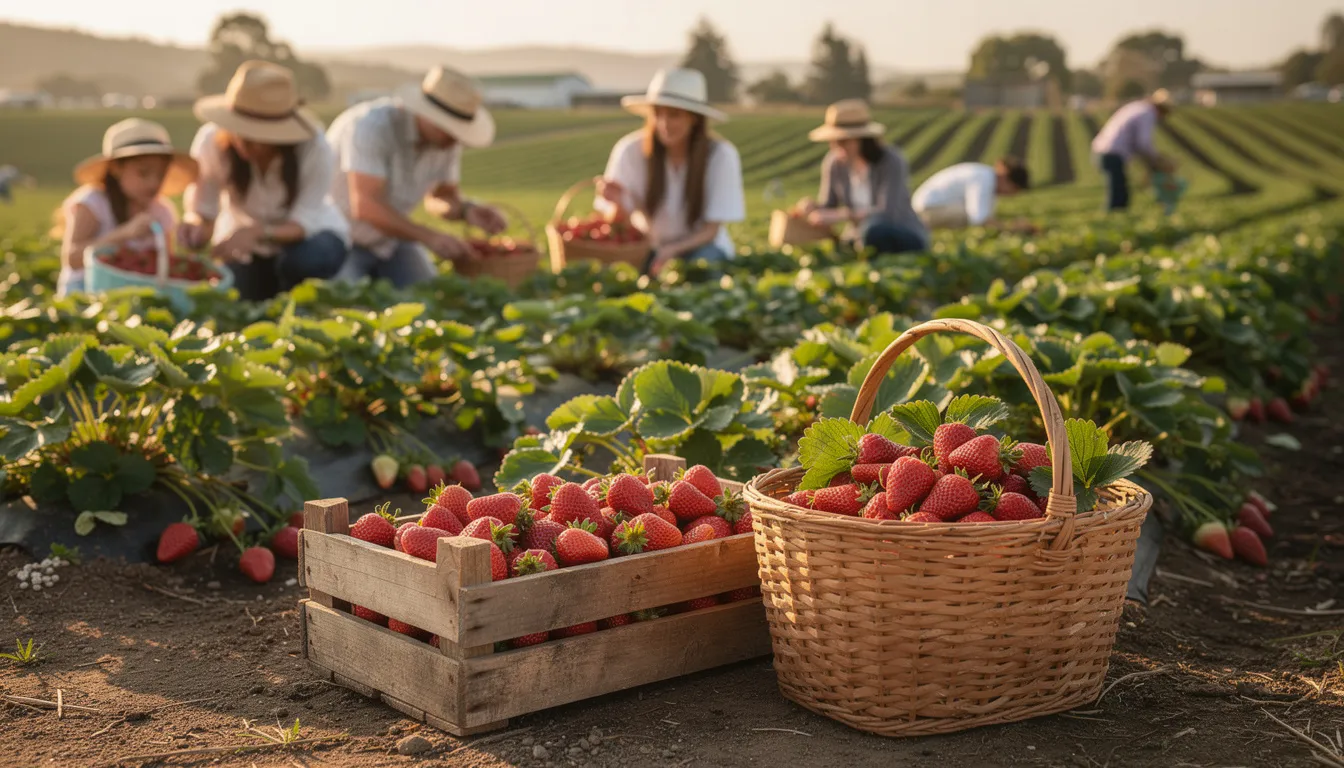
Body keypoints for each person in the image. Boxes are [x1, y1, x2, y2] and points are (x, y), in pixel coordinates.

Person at [180, 60, 350, 301]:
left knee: (303, 263)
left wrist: (255, 232)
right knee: (237, 295)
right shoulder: (211, 142)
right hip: (248, 246)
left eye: (258, 136)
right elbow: (203, 209)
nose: (246, 142)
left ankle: (306, 302)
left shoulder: (314, 148)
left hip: (311, 237)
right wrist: (195, 226)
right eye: (240, 131)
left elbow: (303, 222)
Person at [327, 65, 507, 289]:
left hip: (392, 241)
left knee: (430, 296)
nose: (455, 138)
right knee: (344, 305)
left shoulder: (446, 142)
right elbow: (366, 205)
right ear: (425, 113)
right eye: (449, 128)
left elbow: (440, 197)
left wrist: (466, 210)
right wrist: (429, 237)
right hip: (341, 239)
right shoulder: (371, 127)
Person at [595, 67, 745, 276]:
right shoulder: (629, 151)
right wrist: (617, 203)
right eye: (658, 113)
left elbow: (711, 231)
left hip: (700, 246)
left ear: (694, 118)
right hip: (648, 245)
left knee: (702, 271)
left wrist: (670, 251)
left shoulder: (720, 156)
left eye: (674, 115)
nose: (664, 124)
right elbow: (620, 222)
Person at [53, 118, 198, 297]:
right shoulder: (93, 203)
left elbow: (164, 266)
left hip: (138, 294)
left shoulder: (162, 211)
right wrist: (124, 233)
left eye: (160, 175)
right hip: (85, 291)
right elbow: (72, 258)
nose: (153, 183)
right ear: (116, 168)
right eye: (143, 173)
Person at [798, 99, 927, 255]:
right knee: (845, 246)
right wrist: (813, 208)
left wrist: (844, 214)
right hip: (859, 237)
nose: (836, 147)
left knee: (873, 230)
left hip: (901, 233)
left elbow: (887, 213)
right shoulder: (833, 163)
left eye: (843, 141)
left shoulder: (891, 161)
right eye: (833, 141)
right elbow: (829, 205)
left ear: (862, 140)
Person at [1091, 89, 1174, 212]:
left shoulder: (1137, 107)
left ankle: (1114, 218)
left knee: (1120, 191)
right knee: (1118, 196)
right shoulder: (1147, 114)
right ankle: (1112, 220)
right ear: (1161, 109)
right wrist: (1155, 159)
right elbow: (1143, 143)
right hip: (1112, 153)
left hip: (1102, 150)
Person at [912, 158, 1030, 230]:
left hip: (931, 208)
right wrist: (1012, 228)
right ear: (1006, 178)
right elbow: (979, 219)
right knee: (967, 217)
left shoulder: (986, 177)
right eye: (1014, 189)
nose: (1012, 195)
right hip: (928, 210)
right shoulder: (984, 178)